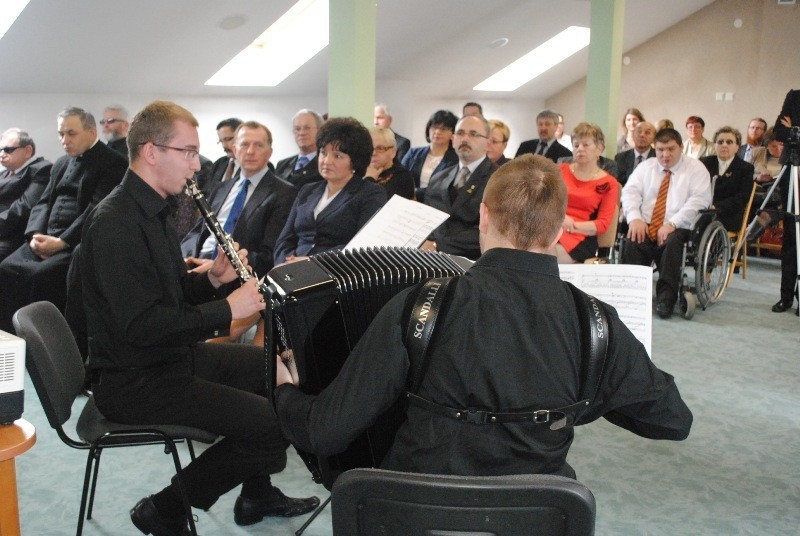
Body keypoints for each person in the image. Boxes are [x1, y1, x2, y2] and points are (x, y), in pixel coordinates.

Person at [273, 154, 693, 479]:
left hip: (415, 511)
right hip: (532, 516)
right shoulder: (596, 322)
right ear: (557, 229)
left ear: (484, 215)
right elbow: (673, 420)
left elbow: (324, 431)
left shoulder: (422, 304)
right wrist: (585, 392)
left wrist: (287, 392)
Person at [81, 101, 319, 536]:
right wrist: (228, 311)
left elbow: (167, 295)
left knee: (278, 369)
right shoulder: (115, 223)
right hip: (133, 378)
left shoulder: (151, 210)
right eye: (188, 152)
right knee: (273, 421)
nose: (197, 165)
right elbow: (143, 327)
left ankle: (257, 493)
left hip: (166, 358)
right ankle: (167, 507)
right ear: (152, 152)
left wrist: (211, 279)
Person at [0, 107, 127, 332]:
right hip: (45, 238)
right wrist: (34, 235)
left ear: (90, 132)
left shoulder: (113, 163)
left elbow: (95, 209)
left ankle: (42, 344)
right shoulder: (60, 163)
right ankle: (10, 339)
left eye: (71, 133)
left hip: (76, 243)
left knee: (40, 276)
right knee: (7, 267)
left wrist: (62, 242)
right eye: (61, 134)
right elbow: (44, 202)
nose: (64, 140)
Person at [181, 120, 297, 277]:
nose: (250, 151)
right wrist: (186, 258)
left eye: (258, 145)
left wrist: (219, 264)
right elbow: (197, 232)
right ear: (235, 150)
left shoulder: (284, 193)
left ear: (269, 153)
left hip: (235, 275)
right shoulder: (221, 188)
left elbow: (269, 254)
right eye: (244, 144)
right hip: (195, 266)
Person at [621, 128, 712, 319]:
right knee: (632, 240)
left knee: (672, 243)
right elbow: (630, 192)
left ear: (681, 147)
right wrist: (635, 217)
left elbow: (699, 201)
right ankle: (633, 295)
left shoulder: (696, 169)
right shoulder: (646, 167)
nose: (665, 154)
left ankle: (666, 298)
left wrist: (673, 222)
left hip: (680, 226)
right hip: (646, 223)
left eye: (671, 149)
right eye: (661, 149)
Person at [274, 117, 387, 264]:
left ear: (355, 161)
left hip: (335, 274)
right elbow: (284, 240)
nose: (326, 161)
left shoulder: (370, 193)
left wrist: (311, 262)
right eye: (323, 152)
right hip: (291, 271)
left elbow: (363, 246)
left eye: (338, 156)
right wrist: (285, 263)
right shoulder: (307, 190)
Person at [423, 114, 498, 260]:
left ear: (488, 143)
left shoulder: (498, 179)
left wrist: (438, 245)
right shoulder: (438, 178)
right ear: (453, 140)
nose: (465, 139)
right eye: (460, 133)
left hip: (474, 263)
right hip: (431, 261)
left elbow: (492, 232)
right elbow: (428, 219)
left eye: (473, 134)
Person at [555, 123, 620, 264]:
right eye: (576, 145)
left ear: (600, 149)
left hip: (581, 236)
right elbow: (544, 202)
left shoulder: (609, 183)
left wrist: (570, 225)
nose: (580, 149)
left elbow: (602, 224)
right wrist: (560, 219)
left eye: (586, 145)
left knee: (546, 256)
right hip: (552, 227)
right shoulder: (559, 171)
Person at [0, 128, 51, 260]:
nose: (2, 154)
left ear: (27, 151)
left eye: (8, 150)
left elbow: (23, 207)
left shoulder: (41, 169)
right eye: (0, 150)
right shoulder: (3, 173)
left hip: (13, 236)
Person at [770, 88, 800, 314]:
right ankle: (786, 296)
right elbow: (779, 131)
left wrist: (795, 130)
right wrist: (792, 133)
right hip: (793, 173)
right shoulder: (794, 96)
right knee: (790, 238)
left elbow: (790, 131)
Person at [700, 126, 755, 233]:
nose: (724, 145)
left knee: (704, 223)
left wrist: (717, 207)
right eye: (720, 142)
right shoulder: (703, 163)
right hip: (704, 209)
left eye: (729, 142)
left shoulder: (745, 168)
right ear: (715, 145)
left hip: (729, 214)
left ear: (737, 147)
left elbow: (742, 197)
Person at [401, 110, 459, 202]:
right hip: (408, 202)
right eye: (434, 127)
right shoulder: (413, 153)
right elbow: (401, 177)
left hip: (438, 206)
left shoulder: (456, 159)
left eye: (444, 129)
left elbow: (447, 189)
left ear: (453, 133)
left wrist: (417, 193)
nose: (437, 132)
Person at [275, 109, 324, 189]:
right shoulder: (282, 164)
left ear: (320, 131)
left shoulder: (325, 164)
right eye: (297, 129)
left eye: (307, 128)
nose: (302, 133)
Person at [364, 126, 415, 199]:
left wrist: (369, 179)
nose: (373, 153)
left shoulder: (403, 177)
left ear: (393, 152)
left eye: (380, 148)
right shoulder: (360, 170)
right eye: (370, 148)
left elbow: (376, 204)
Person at [203, 117, 242, 194]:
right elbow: (208, 192)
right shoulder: (219, 163)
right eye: (221, 141)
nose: (224, 145)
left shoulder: (254, 165)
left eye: (228, 139)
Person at [615, 121, 656, 186]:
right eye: (639, 131)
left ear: (654, 137)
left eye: (647, 132)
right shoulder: (621, 158)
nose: (642, 135)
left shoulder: (658, 157)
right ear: (633, 135)